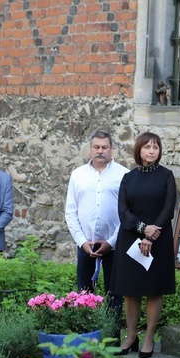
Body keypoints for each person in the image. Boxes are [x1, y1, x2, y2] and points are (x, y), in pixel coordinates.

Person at [111, 132, 177, 358]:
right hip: (131, 238)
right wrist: (142, 228)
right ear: (138, 150)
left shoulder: (167, 176)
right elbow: (123, 211)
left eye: (156, 147)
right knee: (131, 290)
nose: (151, 151)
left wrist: (151, 234)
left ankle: (149, 337)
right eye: (147, 147)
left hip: (158, 239)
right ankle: (130, 336)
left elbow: (169, 208)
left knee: (153, 289)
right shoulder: (128, 178)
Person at [65, 130, 129, 329]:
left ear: (112, 149)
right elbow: (70, 212)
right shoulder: (78, 175)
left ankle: (111, 339)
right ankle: (86, 335)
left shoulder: (123, 175)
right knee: (84, 294)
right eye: (96, 147)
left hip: (114, 245)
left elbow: (127, 213)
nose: (100, 151)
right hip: (86, 245)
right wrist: (82, 242)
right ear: (90, 149)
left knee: (115, 295)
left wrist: (111, 242)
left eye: (104, 147)